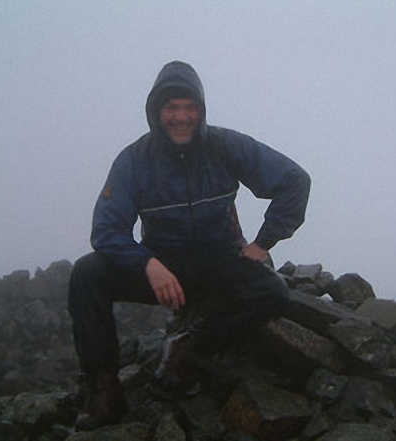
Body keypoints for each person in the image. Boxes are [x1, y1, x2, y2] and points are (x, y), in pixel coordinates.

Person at [68, 61, 310, 431]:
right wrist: (147, 263)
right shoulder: (134, 160)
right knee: (87, 274)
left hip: (218, 259)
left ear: (201, 110)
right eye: (171, 108)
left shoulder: (225, 145)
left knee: (273, 291)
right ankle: (104, 389)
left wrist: (264, 242)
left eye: (189, 107)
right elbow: (106, 230)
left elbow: (295, 180)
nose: (181, 117)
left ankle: (189, 348)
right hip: (163, 266)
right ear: (156, 112)